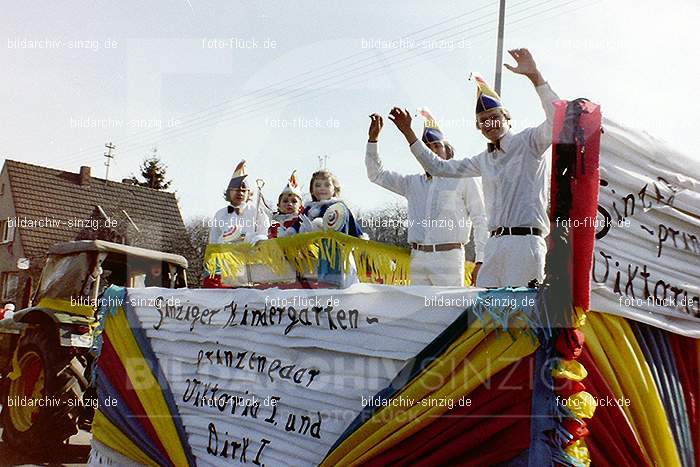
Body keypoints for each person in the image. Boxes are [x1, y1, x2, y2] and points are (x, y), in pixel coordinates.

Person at [388, 48, 559, 288]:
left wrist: (535, 77)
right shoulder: (483, 160)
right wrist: (409, 134)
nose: (489, 124)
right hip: (495, 245)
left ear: (506, 117)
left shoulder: (529, 142)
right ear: (478, 128)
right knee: (485, 317)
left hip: (525, 242)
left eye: (493, 116)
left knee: (522, 315)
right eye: (482, 121)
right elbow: (438, 167)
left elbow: (557, 121)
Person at [365, 108, 488, 286]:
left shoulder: (464, 178)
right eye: (427, 148)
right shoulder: (412, 183)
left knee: (448, 312)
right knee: (419, 312)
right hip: (418, 258)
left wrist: (481, 259)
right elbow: (376, 174)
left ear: (448, 150)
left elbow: (480, 218)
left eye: (437, 146)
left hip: (448, 259)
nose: (432, 151)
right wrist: (373, 140)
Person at [299, 170, 365, 287]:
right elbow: (298, 224)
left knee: (345, 281)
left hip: (339, 250)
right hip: (318, 253)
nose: (322, 188)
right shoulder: (309, 209)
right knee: (325, 283)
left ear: (335, 189)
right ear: (312, 189)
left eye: (327, 185)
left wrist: (359, 238)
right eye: (317, 185)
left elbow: (353, 226)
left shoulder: (339, 206)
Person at [209, 160, 270, 244]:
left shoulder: (257, 212)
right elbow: (214, 239)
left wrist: (251, 238)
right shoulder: (220, 214)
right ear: (229, 192)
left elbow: (265, 234)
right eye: (236, 190)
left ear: (249, 194)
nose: (240, 193)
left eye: (243, 190)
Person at [268, 170, 303, 238]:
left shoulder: (302, 221)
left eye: (294, 201)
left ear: (300, 206)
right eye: (285, 201)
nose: (289, 204)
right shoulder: (274, 223)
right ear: (278, 206)